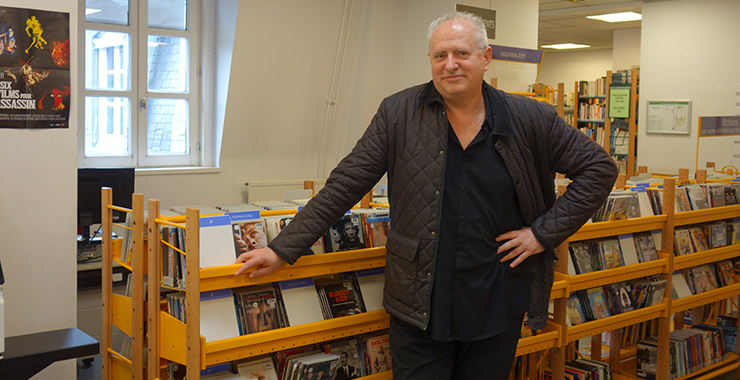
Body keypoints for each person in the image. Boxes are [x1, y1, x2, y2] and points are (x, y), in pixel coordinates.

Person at [235, 11, 617, 379]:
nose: (450, 64)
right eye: (440, 55)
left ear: (486, 59)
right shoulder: (398, 113)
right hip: (419, 304)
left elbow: (600, 170)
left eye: (461, 54)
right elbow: (346, 183)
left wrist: (541, 234)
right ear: (431, 61)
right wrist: (282, 248)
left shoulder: (530, 118)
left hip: (496, 299)